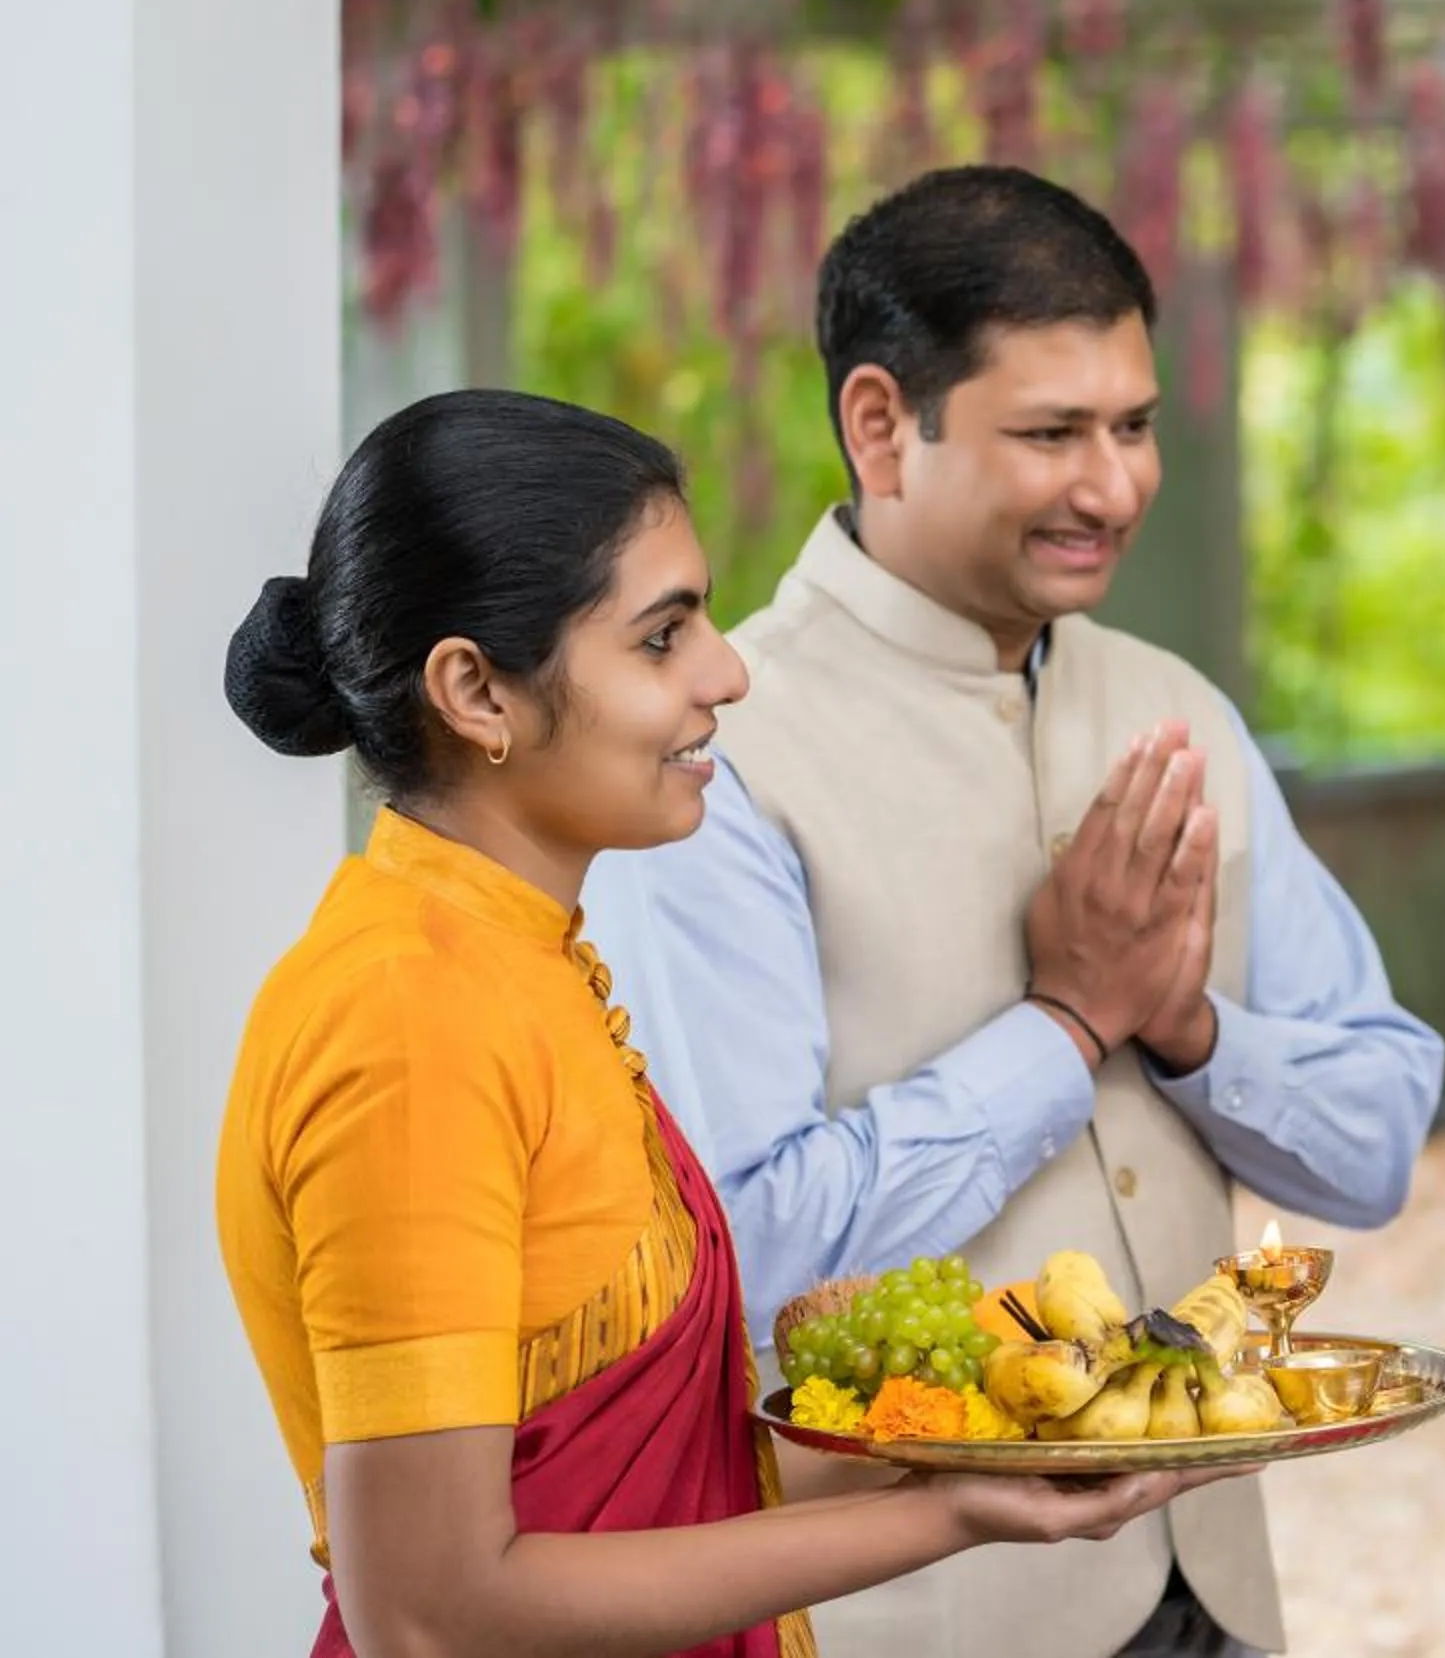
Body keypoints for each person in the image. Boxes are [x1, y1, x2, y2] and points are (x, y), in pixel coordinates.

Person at [216, 389, 1241, 1658]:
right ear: (476, 691)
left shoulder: (521, 959)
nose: (728, 670)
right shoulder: (407, 1017)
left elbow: (662, 1480)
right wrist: (951, 1517)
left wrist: (999, 1441)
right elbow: (430, 1610)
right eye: (661, 637)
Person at [580, 165, 1445, 1658]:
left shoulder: (1183, 714)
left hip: (1220, 1595)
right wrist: (1064, 1029)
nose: (1112, 486)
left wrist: (1184, 1029)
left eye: (1135, 425)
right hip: (909, 1620)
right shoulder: (719, 755)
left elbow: (1374, 1141)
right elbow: (741, 1244)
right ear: (878, 425)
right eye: (1052, 432)